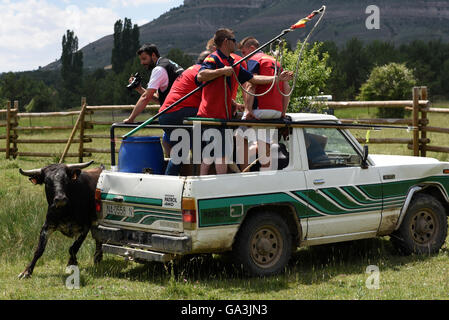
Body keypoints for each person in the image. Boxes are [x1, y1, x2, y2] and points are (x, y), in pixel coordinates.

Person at [196, 28, 293, 175]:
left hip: (224, 115)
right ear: (226, 42)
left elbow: (252, 79)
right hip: (212, 115)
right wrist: (221, 71)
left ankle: (235, 177)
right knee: (221, 154)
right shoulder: (213, 58)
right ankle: (228, 182)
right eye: (234, 40)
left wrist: (276, 79)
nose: (236, 44)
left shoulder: (233, 63)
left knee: (215, 153)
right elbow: (201, 75)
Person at [237, 36, 292, 171]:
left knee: (239, 136)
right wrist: (282, 113)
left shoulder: (254, 60)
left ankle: (245, 174)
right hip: (276, 110)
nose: (243, 56)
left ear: (252, 49)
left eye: (243, 53)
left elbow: (251, 84)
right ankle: (265, 171)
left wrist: (248, 109)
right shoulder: (276, 62)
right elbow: (286, 89)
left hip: (259, 108)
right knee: (264, 141)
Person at [157, 51, 210, 176]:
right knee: (207, 126)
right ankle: (199, 174)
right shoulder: (203, 73)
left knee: (181, 151)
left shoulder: (190, 70)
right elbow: (211, 98)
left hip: (166, 114)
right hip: (178, 112)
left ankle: (169, 180)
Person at [123, 44, 184, 123]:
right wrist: (139, 89)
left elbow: (145, 98)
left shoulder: (159, 69)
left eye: (144, 59)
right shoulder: (167, 64)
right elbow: (160, 100)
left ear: (153, 55)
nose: (142, 63)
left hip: (175, 112)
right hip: (185, 108)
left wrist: (131, 119)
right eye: (140, 60)